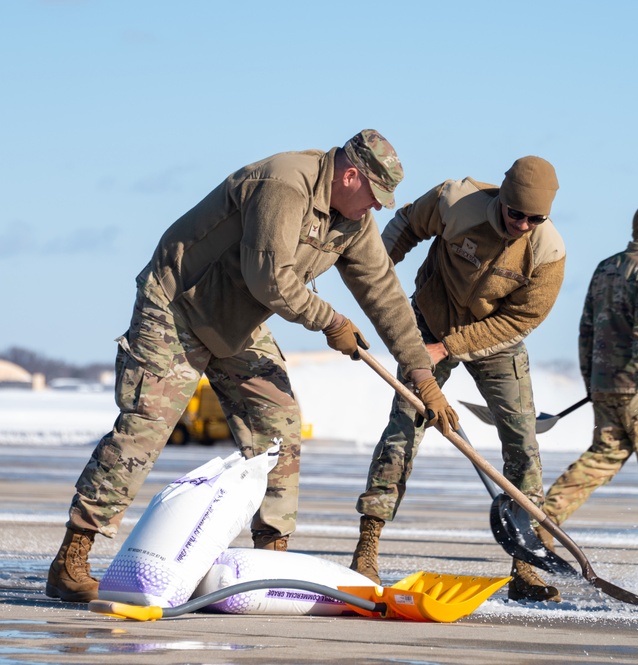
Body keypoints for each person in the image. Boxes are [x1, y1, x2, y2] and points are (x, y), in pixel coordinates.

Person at [46, 130, 457, 603]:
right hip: (178, 305)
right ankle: (72, 558)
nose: (378, 209)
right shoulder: (283, 184)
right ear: (350, 175)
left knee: (278, 429)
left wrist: (422, 376)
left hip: (240, 320)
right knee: (144, 431)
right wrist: (331, 321)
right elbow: (271, 279)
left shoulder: (352, 221)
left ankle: (272, 560)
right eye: (375, 196)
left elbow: (383, 293)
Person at [350, 156, 566, 602]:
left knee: (522, 443)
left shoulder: (548, 253)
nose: (523, 224)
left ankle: (526, 565)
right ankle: (366, 547)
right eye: (516, 214)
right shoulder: (456, 201)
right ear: (502, 200)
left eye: (535, 218)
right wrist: (377, 275)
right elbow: (406, 223)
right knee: (403, 429)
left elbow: (518, 321)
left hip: (495, 340)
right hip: (429, 319)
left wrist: (449, 348)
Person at [539, 203, 638, 567]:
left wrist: (591, 381)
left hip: (605, 385)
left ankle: (542, 520)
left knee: (602, 457)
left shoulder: (606, 267)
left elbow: (586, 329)